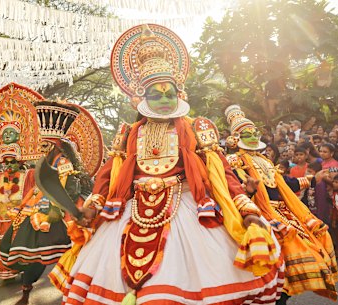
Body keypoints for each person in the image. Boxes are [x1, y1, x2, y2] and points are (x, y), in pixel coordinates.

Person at [60, 24, 284, 305]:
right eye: (156, 94)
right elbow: (109, 178)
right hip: (133, 210)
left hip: (187, 207)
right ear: (142, 97)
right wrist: (92, 208)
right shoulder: (128, 133)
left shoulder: (196, 128)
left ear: (180, 94)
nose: (165, 100)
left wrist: (247, 210)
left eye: (170, 93)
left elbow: (221, 175)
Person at [225, 105, 338, 303]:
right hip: (257, 212)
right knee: (268, 261)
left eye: (254, 133)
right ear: (236, 138)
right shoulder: (233, 161)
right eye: (246, 134)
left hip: (283, 213)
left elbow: (284, 183)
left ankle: (281, 294)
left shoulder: (265, 160)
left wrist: (312, 179)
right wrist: (248, 193)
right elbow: (232, 189)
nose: (252, 137)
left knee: (301, 250)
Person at [0, 101, 103, 305]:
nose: (41, 149)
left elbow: (69, 191)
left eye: (45, 145)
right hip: (42, 209)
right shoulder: (47, 163)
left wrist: (57, 210)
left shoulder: (63, 163)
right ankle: (26, 291)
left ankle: (74, 294)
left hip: (63, 212)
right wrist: (26, 206)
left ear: (56, 146)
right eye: (41, 145)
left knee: (74, 254)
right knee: (34, 255)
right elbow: (39, 188)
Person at [0, 83, 44, 281]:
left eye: (12, 161)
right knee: (5, 245)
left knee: (22, 246)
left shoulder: (28, 175)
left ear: (21, 161)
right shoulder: (0, 176)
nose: (8, 165)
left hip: (22, 219)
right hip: (4, 220)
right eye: (6, 162)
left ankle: (23, 272)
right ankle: (8, 271)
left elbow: (40, 181)